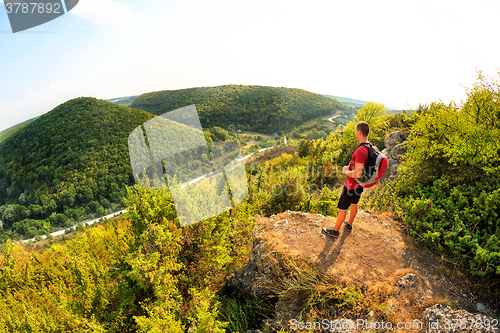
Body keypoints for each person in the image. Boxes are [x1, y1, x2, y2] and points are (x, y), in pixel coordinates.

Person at [322, 121, 370, 237]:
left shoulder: (360, 150)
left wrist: (345, 171)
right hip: (360, 185)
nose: (354, 133)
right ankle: (349, 224)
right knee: (354, 204)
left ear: (359, 132)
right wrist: (349, 166)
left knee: (342, 209)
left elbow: (357, 173)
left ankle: (335, 231)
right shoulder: (369, 147)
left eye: (355, 131)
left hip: (351, 186)